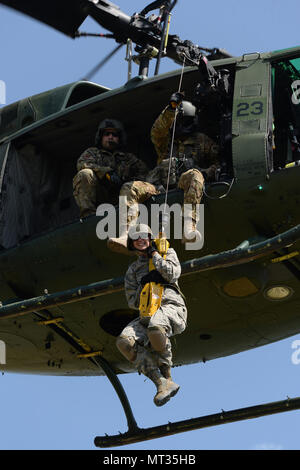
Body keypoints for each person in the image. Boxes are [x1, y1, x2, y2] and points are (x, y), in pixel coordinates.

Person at [116, 224, 187, 407]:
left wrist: (156, 256)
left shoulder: (166, 252)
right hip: (147, 311)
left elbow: (173, 274)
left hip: (170, 305)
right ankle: (161, 383)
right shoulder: (132, 270)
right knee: (124, 342)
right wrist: (144, 286)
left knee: (156, 328)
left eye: (143, 236)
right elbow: (132, 301)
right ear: (132, 243)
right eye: (135, 237)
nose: (140, 239)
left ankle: (167, 373)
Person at [147, 91, 221, 244]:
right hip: (161, 189)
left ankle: (189, 226)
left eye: (185, 122)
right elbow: (157, 131)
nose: (181, 126)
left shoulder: (201, 141)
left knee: (195, 174)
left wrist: (205, 174)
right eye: (178, 122)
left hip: (187, 187)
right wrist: (171, 109)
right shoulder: (166, 142)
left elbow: (219, 163)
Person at [73, 118, 151, 218]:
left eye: (114, 135)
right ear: (101, 137)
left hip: (123, 198)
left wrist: (128, 183)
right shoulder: (92, 153)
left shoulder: (128, 158)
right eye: (107, 134)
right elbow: (82, 163)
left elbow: (145, 174)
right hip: (100, 196)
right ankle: (88, 216)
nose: (111, 137)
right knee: (84, 174)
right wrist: (105, 172)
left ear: (119, 138)